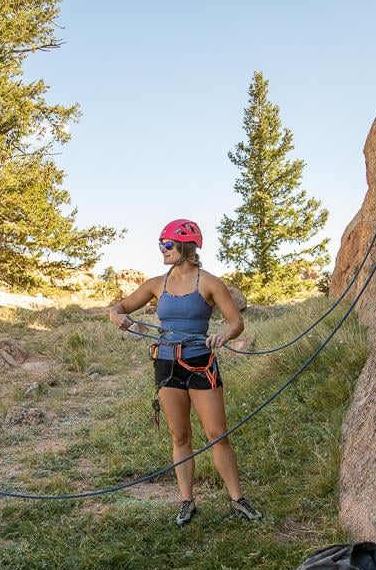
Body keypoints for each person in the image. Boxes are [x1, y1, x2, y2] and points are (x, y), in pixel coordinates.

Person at [108, 218, 263, 526]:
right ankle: (186, 502)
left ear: (186, 248)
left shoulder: (209, 283)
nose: (162, 251)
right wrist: (116, 317)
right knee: (180, 435)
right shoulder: (156, 284)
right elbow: (119, 308)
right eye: (161, 245)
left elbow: (236, 323)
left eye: (167, 245)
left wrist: (225, 336)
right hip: (167, 365)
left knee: (218, 434)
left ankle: (237, 499)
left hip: (201, 364)